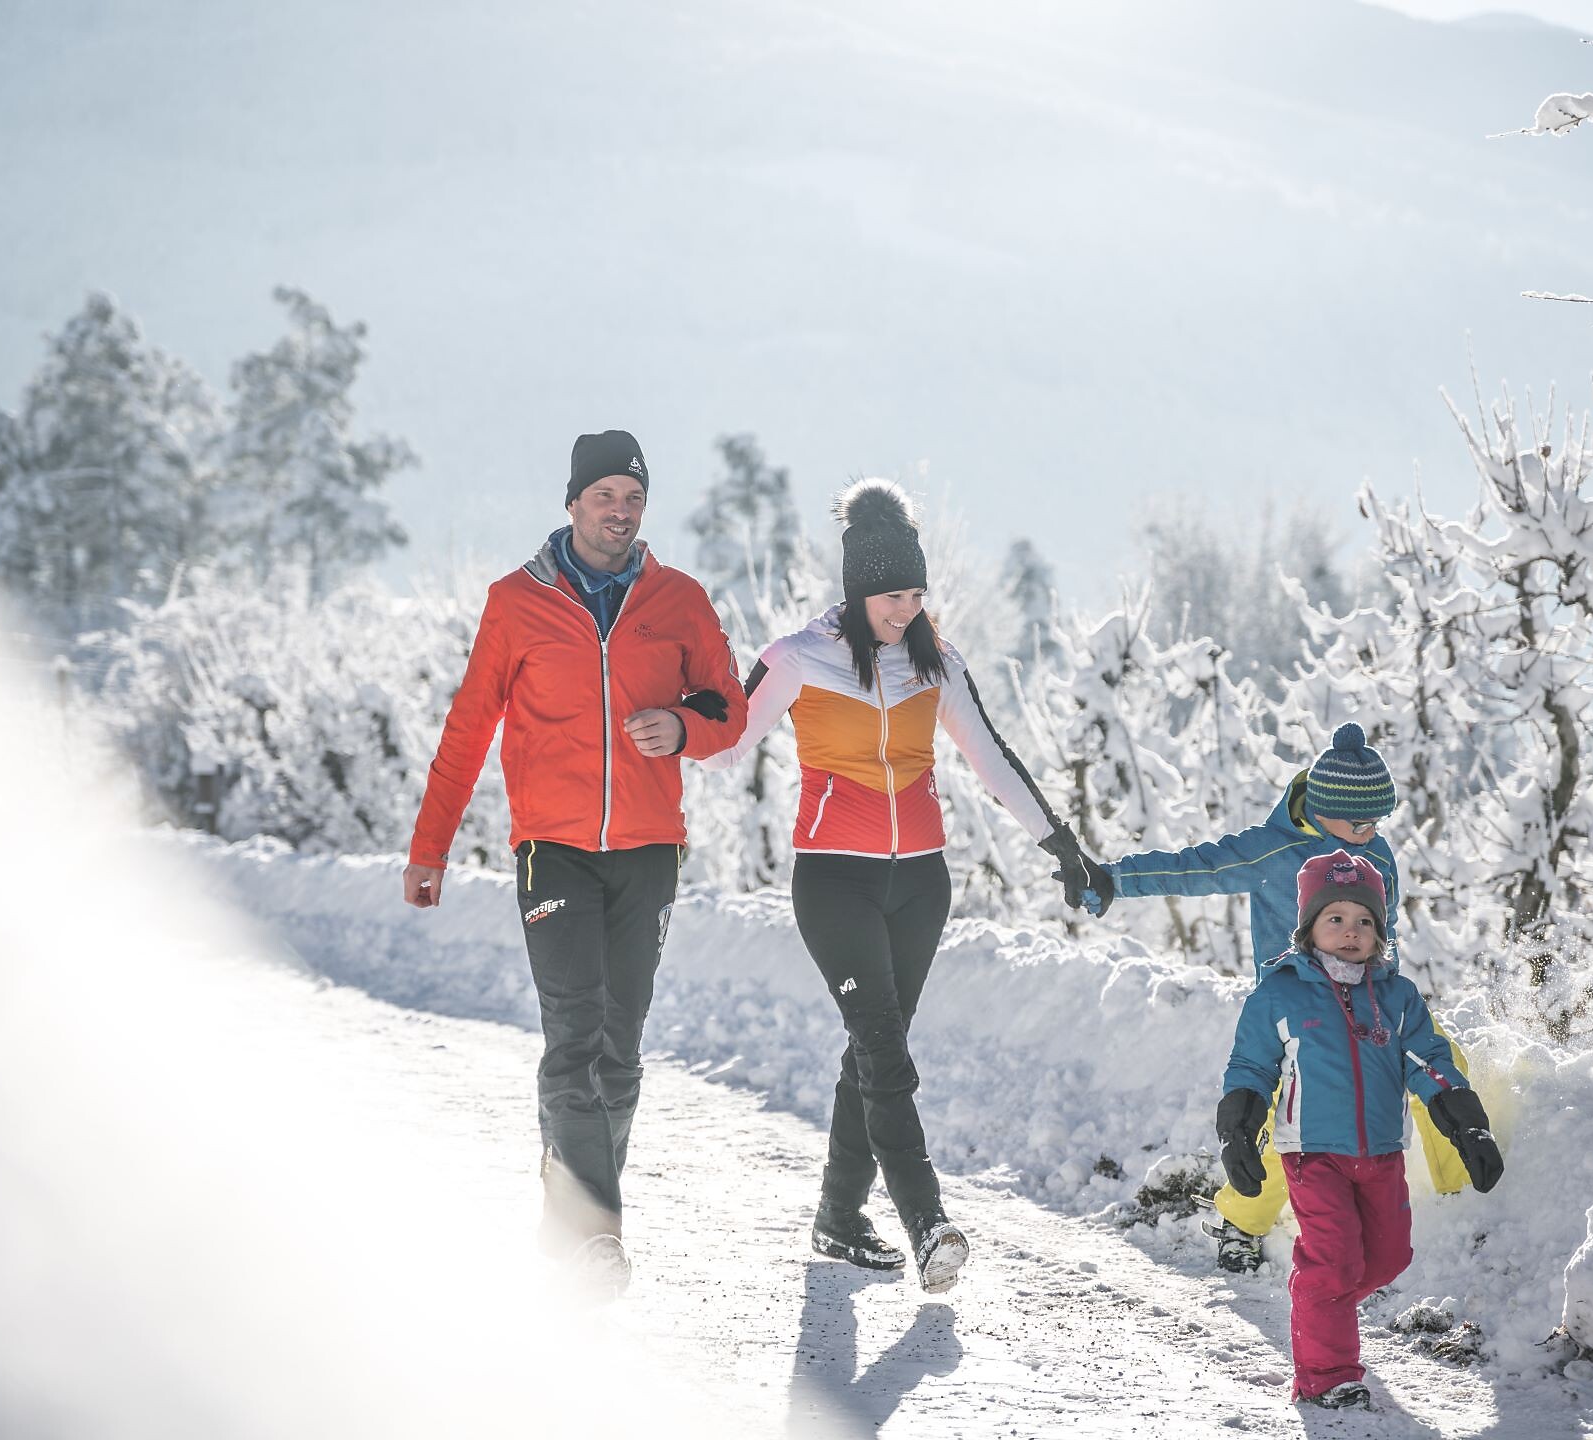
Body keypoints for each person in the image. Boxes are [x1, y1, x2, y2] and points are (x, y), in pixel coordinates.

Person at [699, 478, 1113, 1293]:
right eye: (894, 596)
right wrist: (681, 713)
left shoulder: (936, 662)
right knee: (884, 1049)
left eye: (918, 593)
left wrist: (1064, 848)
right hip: (834, 881)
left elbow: (993, 760)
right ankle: (927, 1223)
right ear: (859, 591)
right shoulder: (798, 658)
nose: (908, 609)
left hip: (921, 884)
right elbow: (724, 742)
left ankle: (839, 1216)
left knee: (876, 1045)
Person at [402, 429, 746, 1295]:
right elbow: (468, 729)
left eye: (633, 500)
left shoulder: (679, 600)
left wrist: (683, 730)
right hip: (551, 851)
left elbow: (730, 710)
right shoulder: (515, 602)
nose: (620, 514)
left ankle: (571, 1204)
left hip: (647, 853)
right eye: (605, 498)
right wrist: (429, 847)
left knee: (620, 1049)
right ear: (572, 504)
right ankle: (597, 1235)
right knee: (574, 1034)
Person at [1092, 722, 1473, 1273]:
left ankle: (1463, 1202)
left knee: (1438, 1062)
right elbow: (1196, 867)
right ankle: (1242, 1222)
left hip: (1369, 996)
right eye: (1359, 819)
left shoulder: (1376, 852)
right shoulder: (1275, 850)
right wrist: (1114, 880)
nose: (1370, 830)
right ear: (1323, 807)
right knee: (1288, 1114)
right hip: (1298, 1004)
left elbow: (1378, 929)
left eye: (1377, 820)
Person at [1218, 849, 1503, 1410]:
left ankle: (1318, 1299)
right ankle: (1327, 1375)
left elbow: (1429, 1064)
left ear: (1380, 930)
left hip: (1381, 1154)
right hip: (1311, 1154)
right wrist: (1239, 1131)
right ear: (1309, 927)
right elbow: (1251, 1067)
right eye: (1336, 918)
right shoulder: (1281, 993)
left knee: (1389, 1258)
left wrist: (1467, 1125)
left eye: (1364, 921)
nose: (1351, 932)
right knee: (1334, 1263)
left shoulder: (1396, 997)